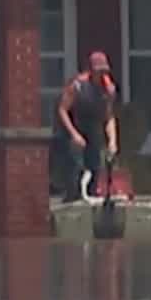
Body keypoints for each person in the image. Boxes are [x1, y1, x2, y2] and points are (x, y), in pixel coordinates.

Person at [50, 51, 120, 202]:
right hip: (72, 124)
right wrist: (74, 134)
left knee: (96, 162)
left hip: (91, 125)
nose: (101, 74)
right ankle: (72, 198)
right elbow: (62, 110)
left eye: (104, 70)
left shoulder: (108, 89)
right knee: (76, 165)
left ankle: (92, 195)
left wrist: (112, 141)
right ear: (91, 70)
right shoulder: (77, 86)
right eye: (98, 70)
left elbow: (108, 117)